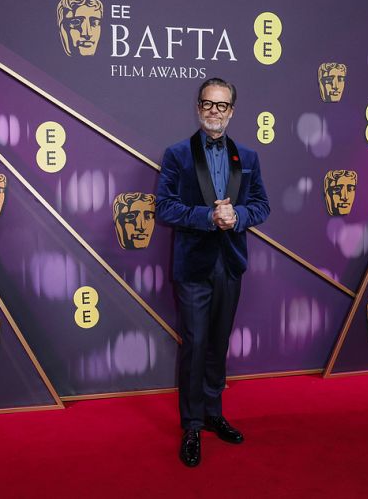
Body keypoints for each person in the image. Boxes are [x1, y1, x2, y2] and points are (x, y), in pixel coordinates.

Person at [156, 78, 270, 467]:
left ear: (232, 111)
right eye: (208, 104)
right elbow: (164, 208)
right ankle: (191, 424)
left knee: (218, 344)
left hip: (230, 265)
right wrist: (208, 216)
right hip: (193, 268)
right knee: (196, 344)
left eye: (222, 106)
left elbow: (261, 206)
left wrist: (237, 216)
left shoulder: (249, 157)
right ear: (198, 107)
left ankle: (213, 413)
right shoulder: (177, 155)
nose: (214, 111)